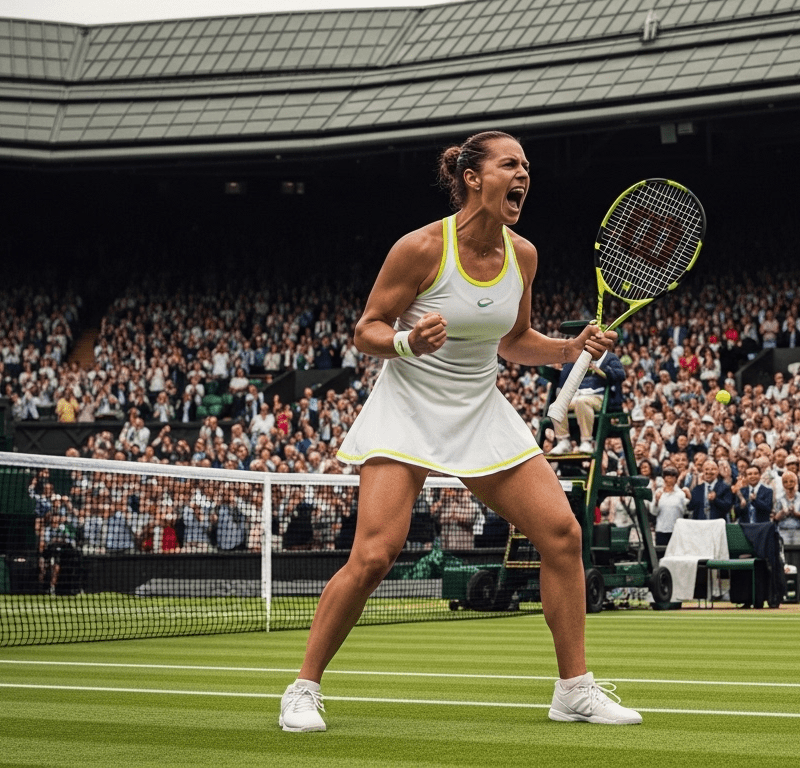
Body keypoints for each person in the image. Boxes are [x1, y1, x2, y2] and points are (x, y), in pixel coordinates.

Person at [283, 131, 640, 732]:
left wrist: (568, 347)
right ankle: (303, 687)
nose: (524, 174)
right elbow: (365, 329)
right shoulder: (420, 248)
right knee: (374, 555)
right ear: (473, 177)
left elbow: (513, 340)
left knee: (562, 535)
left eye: (527, 166)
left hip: (480, 409)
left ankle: (573, 689)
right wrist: (404, 341)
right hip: (409, 409)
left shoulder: (523, 255)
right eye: (510, 164)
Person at [550, 351, 625, 455]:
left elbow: (620, 375)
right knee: (556, 406)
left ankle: (586, 441)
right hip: (579, 394)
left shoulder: (610, 357)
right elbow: (566, 374)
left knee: (582, 402)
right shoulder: (581, 358)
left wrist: (599, 370)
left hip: (599, 396)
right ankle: (563, 441)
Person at [652, 466, 690, 546]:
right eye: (667, 475)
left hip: (676, 530)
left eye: (672, 476)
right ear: (664, 478)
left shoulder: (681, 494)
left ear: (676, 479)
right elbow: (654, 512)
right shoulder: (658, 492)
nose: (669, 478)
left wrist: (689, 498)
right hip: (661, 530)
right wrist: (656, 501)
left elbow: (686, 511)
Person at [771, 469, 800, 545]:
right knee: (785, 553)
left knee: (799, 554)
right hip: (783, 530)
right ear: (782, 484)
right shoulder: (779, 499)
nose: (789, 484)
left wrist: (795, 514)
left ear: (796, 482)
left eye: (791, 481)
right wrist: (782, 512)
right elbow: (775, 518)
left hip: (799, 530)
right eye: (785, 482)